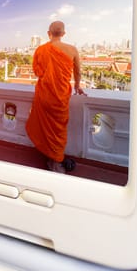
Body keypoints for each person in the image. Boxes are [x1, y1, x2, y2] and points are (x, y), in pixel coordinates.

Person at [26, 21, 86, 173]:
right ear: (63, 34)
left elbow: (37, 72)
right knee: (58, 130)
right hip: (60, 97)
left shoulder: (41, 50)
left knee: (45, 127)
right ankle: (56, 160)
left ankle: (52, 158)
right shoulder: (72, 50)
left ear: (49, 33)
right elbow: (77, 72)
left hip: (44, 95)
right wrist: (78, 86)